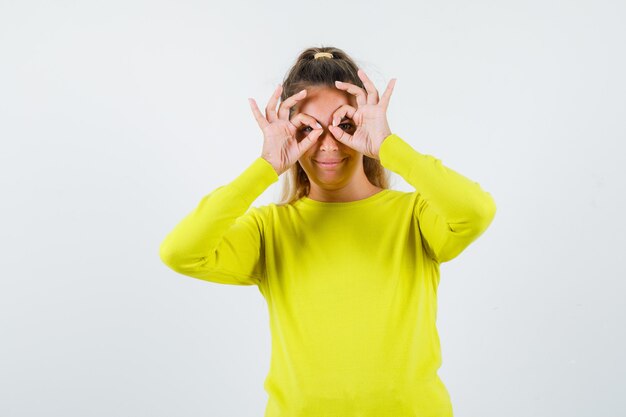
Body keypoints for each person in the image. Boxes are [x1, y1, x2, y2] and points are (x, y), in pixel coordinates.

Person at [159, 46, 497, 417]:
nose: (329, 143)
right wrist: (266, 166)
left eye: (346, 125)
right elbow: (180, 252)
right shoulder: (270, 229)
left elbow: (475, 211)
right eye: (308, 129)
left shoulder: (413, 217)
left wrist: (388, 146)